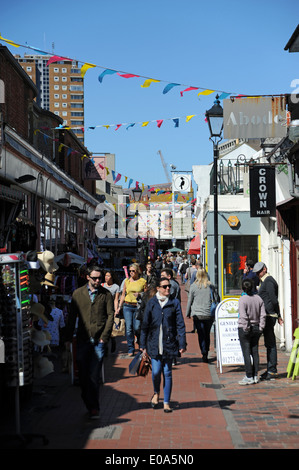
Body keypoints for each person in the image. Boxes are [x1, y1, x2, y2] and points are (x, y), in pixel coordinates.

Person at [64, 265, 114, 419]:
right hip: (83, 339)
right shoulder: (78, 294)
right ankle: (88, 400)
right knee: (84, 375)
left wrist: (104, 337)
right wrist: (67, 339)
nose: (98, 280)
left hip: (98, 340)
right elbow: (71, 317)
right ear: (87, 277)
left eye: (100, 278)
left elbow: (110, 316)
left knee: (94, 375)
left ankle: (94, 408)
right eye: (95, 278)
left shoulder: (106, 295)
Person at [140, 277, 186, 413]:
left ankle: (166, 402)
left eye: (169, 287)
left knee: (167, 372)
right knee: (155, 371)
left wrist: (182, 343)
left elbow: (180, 324)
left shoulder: (174, 303)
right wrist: (142, 343)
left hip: (169, 342)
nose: (168, 289)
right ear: (158, 288)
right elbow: (145, 325)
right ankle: (156, 392)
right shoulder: (152, 303)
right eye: (165, 286)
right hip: (154, 342)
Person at [252, 262, 284, 380]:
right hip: (267, 315)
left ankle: (272, 370)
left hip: (269, 315)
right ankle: (270, 369)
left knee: (270, 343)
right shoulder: (264, 281)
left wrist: (278, 315)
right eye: (256, 273)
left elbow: (274, 300)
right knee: (268, 343)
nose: (258, 274)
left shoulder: (269, 281)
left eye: (259, 272)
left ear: (265, 269)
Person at [238, 279, 266, 385]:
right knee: (255, 352)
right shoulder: (258, 299)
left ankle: (248, 375)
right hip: (256, 328)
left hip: (245, 328)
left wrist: (245, 327)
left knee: (246, 352)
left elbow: (243, 315)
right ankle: (255, 375)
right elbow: (262, 314)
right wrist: (261, 327)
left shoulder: (242, 299)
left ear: (243, 288)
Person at [186, 268, 216, 362]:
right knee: (207, 334)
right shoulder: (210, 286)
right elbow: (215, 298)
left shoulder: (194, 286)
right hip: (208, 314)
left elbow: (190, 300)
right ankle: (206, 351)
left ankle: (203, 351)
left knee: (201, 334)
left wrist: (188, 313)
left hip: (197, 314)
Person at [117, 263, 147, 356]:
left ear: (137, 271)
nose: (131, 273)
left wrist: (140, 294)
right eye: (130, 271)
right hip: (127, 306)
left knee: (137, 327)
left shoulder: (143, 281)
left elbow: (146, 295)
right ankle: (131, 348)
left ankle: (140, 342)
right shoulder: (126, 281)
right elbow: (123, 295)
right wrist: (119, 307)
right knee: (129, 328)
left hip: (138, 306)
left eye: (133, 271)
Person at [102, 270, 120, 353]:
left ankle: (113, 341)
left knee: (110, 327)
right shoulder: (102, 285)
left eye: (108, 276)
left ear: (112, 277)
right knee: (103, 328)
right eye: (105, 275)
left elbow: (116, 299)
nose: (106, 277)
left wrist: (116, 310)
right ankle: (104, 347)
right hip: (102, 310)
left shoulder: (116, 287)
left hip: (110, 309)